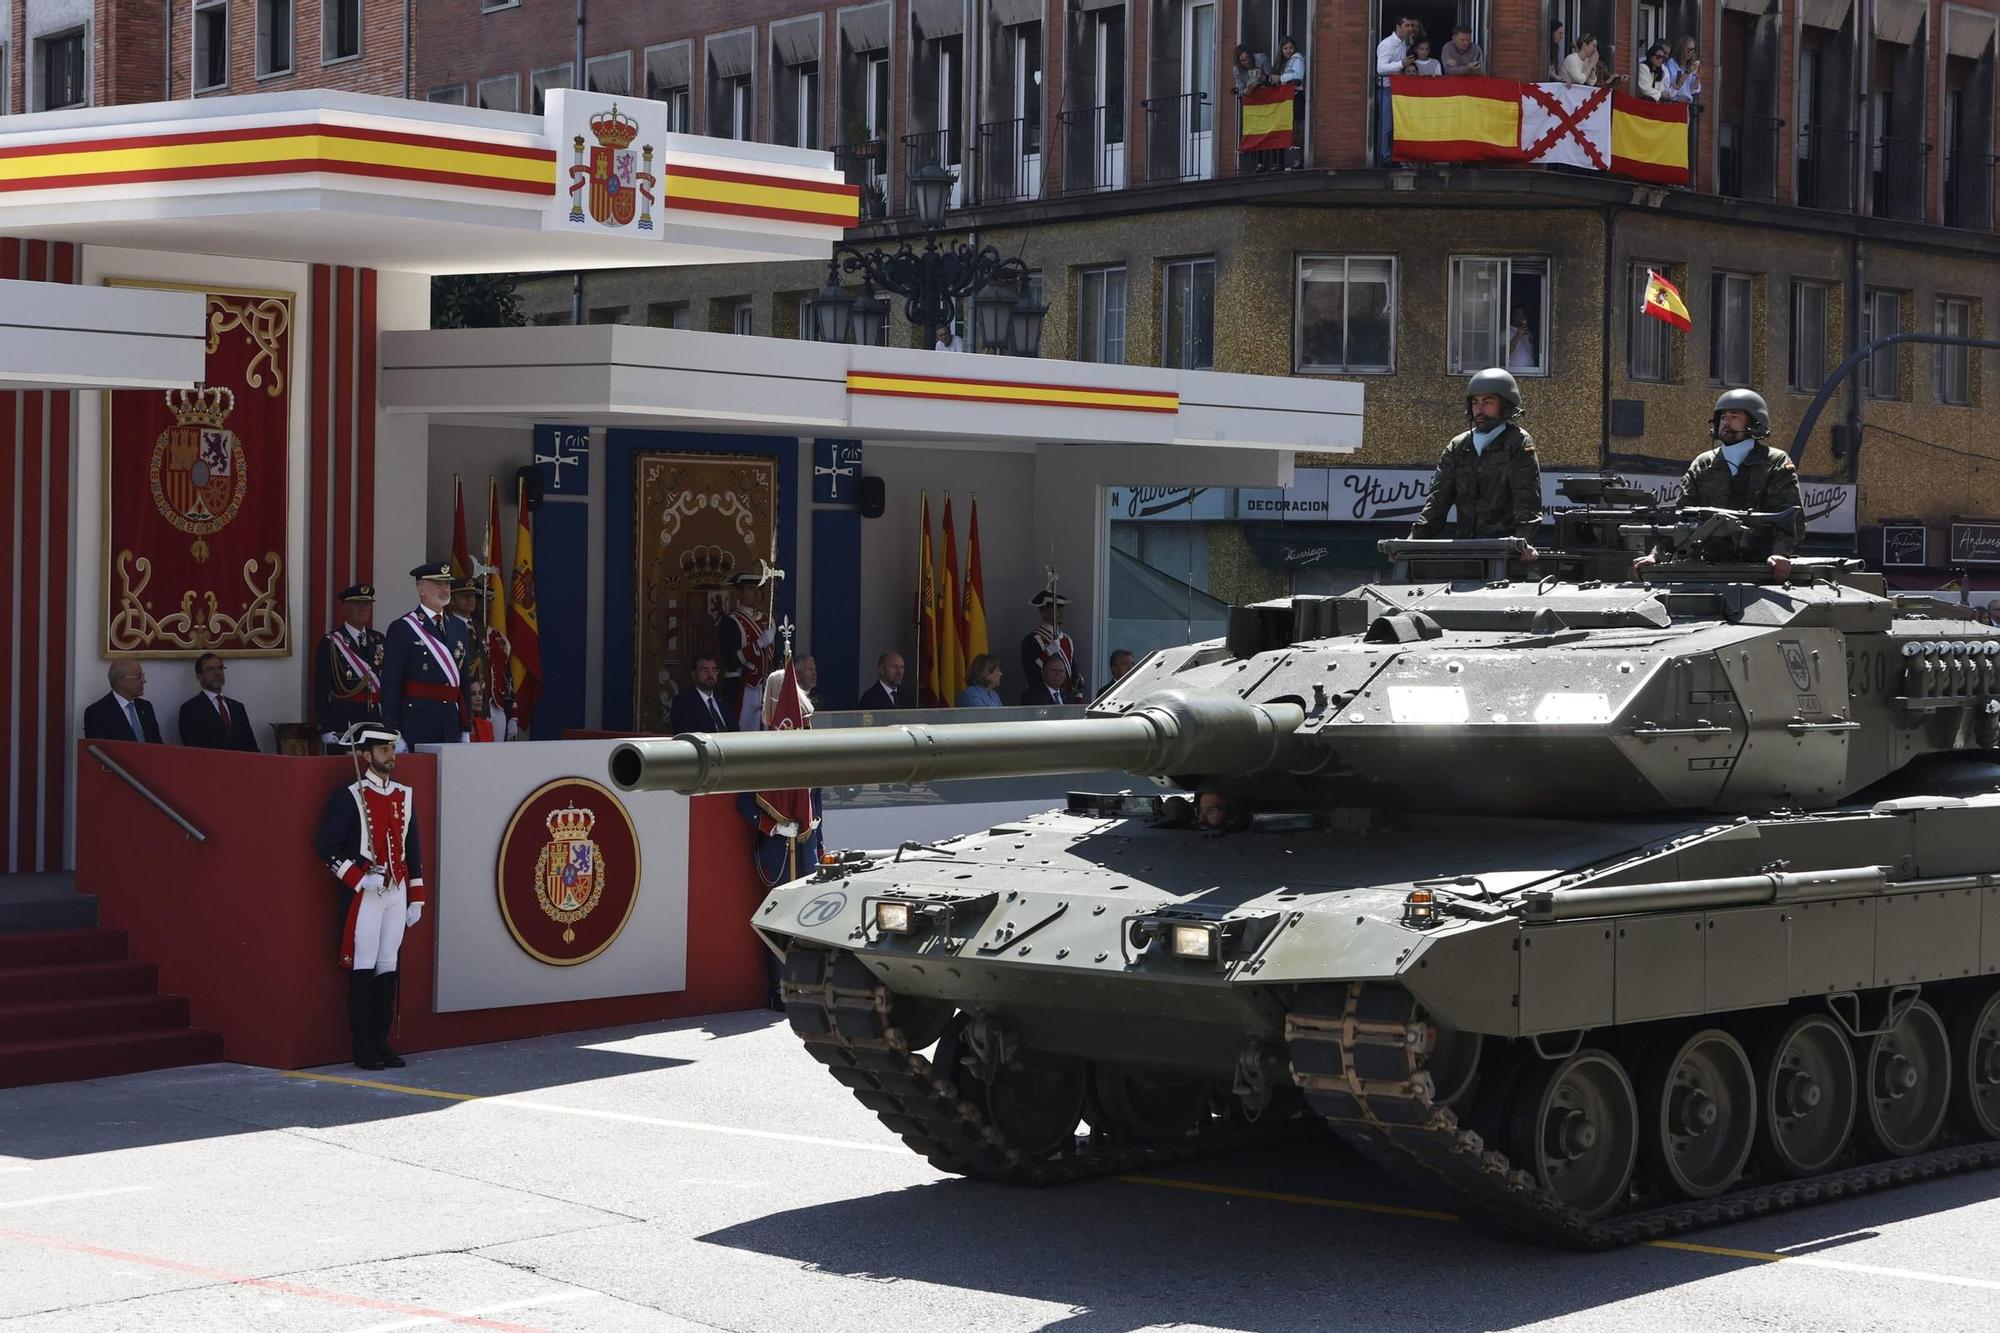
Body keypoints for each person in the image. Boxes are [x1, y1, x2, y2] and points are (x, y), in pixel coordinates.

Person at [316, 721, 427, 1071]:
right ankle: (362, 1046)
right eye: (383, 750)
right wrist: (357, 878)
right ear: (364, 755)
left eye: (392, 749)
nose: (390, 756)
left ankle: (382, 1042)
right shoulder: (349, 795)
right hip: (366, 894)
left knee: (388, 967)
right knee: (363, 967)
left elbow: (413, 847)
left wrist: (417, 896)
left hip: (396, 892)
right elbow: (326, 846)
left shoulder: (403, 795)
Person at [1637, 390, 1803, 579]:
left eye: (1734, 416)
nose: (1726, 422)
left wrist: (1779, 553)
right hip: (1707, 567)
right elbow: (1682, 516)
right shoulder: (1703, 463)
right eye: (1723, 417)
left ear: (1754, 422)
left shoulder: (1775, 461)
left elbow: (1791, 517)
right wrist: (1656, 554)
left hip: (1760, 568)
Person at [1410, 367, 1543, 554]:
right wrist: (1412, 542)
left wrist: (1523, 543)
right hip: (1465, 549)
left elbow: (1527, 502)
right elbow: (1437, 502)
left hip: (1505, 551)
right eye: (1475, 402)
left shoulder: (1518, 443)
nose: (1479, 409)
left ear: (1505, 405)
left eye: (1487, 402)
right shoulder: (1459, 445)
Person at [380, 560, 472, 746]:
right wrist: (394, 732)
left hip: (451, 721)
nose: (444, 589)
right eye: (438, 584)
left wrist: (466, 726)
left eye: (446, 584)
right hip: (417, 722)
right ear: (421, 590)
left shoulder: (458, 627)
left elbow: (464, 682)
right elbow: (390, 684)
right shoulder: (403, 628)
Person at [314, 583, 386, 747]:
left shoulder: (379, 639)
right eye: (357, 604)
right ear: (345, 608)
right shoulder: (332, 643)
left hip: (376, 718)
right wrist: (325, 727)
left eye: (367, 604)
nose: (363, 608)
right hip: (344, 719)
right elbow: (321, 689)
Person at [716, 571, 775, 731]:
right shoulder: (731, 621)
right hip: (742, 685)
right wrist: (757, 644)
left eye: (759, 590)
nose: (756, 594)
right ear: (739, 593)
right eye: (750, 589)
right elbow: (731, 661)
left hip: (765, 686)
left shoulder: (768, 620)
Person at [177, 654, 259, 752]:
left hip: (242, 765)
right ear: (199, 676)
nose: (218, 673)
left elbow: (251, 746)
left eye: (220, 668)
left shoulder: (237, 707)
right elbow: (194, 750)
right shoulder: (190, 709)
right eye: (211, 669)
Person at [83, 660, 161, 743]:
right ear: (121, 680)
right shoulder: (97, 712)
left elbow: (158, 744)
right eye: (138, 677)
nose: (144, 681)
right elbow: (99, 751)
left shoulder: (145, 707)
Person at [1376, 15, 1419, 164]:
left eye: (1412, 26)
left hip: (1398, 89)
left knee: (1396, 125)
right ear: (1398, 27)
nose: (1410, 29)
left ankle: (1392, 155)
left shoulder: (1402, 44)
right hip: (1386, 88)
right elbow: (1380, 69)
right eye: (1407, 26)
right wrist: (1401, 64)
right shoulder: (1387, 44)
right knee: (1387, 125)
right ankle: (1384, 157)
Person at [1021, 590, 1081, 694]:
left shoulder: (1067, 639)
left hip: (1065, 697)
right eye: (1057, 609)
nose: (1061, 612)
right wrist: (1047, 653)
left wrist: (1077, 694)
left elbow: (1072, 672)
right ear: (1043, 612)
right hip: (1041, 696)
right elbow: (1031, 672)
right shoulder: (1032, 640)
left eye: (1062, 608)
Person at [1232, 44, 1275, 173]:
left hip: (1268, 97)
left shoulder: (1261, 58)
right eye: (1242, 61)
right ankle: (1260, 162)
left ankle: (1274, 161)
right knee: (1257, 131)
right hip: (1253, 102)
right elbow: (1240, 90)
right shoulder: (1237, 70)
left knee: (1271, 128)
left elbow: (1271, 78)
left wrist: (1262, 78)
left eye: (1247, 58)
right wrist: (1248, 90)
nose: (1246, 62)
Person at [668, 656, 736, 733]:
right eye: (705, 670)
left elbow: (735, 730)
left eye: (714, 670)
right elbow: (687, 733)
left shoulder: (724, 700)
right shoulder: (683, 702)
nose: (710, 675)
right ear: (694, 674)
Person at [1275, 35, 1306, 169]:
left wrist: (1280, 78)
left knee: (1296, 130)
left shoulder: (1297, 59)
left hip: (1296, 98)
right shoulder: (1284, 63)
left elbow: (1298, 76)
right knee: (1291, 130)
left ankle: (1300, 159)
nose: (1288, 50)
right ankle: (1296, 159)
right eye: (1285, 48)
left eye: (1291, 47)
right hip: (1287, 100)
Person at [1664, 38, 1702, 103]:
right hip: (1674, 102)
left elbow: (1693, 90)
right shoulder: (1672, 63)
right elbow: (1674, 85)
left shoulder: (1691, 65)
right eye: (1688, 49)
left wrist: (1697, 78)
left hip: (1686, 103)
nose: (1690, 53)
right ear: (1681, 49)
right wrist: (1687, 72)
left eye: (1692, 50)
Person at [1506, 305, 1538, 371]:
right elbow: (1505, 352)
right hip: (1515, 371)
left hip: (1532, 371)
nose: (1521, 317)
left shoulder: (1528, 333)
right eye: (1518, 314)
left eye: (1523, 314)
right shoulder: (1506, 333)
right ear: (1512, 316)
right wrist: (1518, 335)